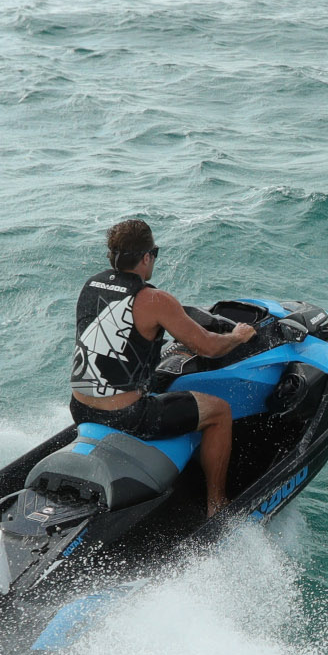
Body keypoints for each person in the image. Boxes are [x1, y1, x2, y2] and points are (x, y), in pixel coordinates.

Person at [71, 217, 255, 515]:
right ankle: (216, 505)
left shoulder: (90, 285)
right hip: (128, 416)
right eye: (153, 254)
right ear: (146, 257)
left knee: (155, 381)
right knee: (220, 412)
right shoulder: (154, 299)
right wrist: (236, 336)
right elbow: (208, 346)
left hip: (79, 409)